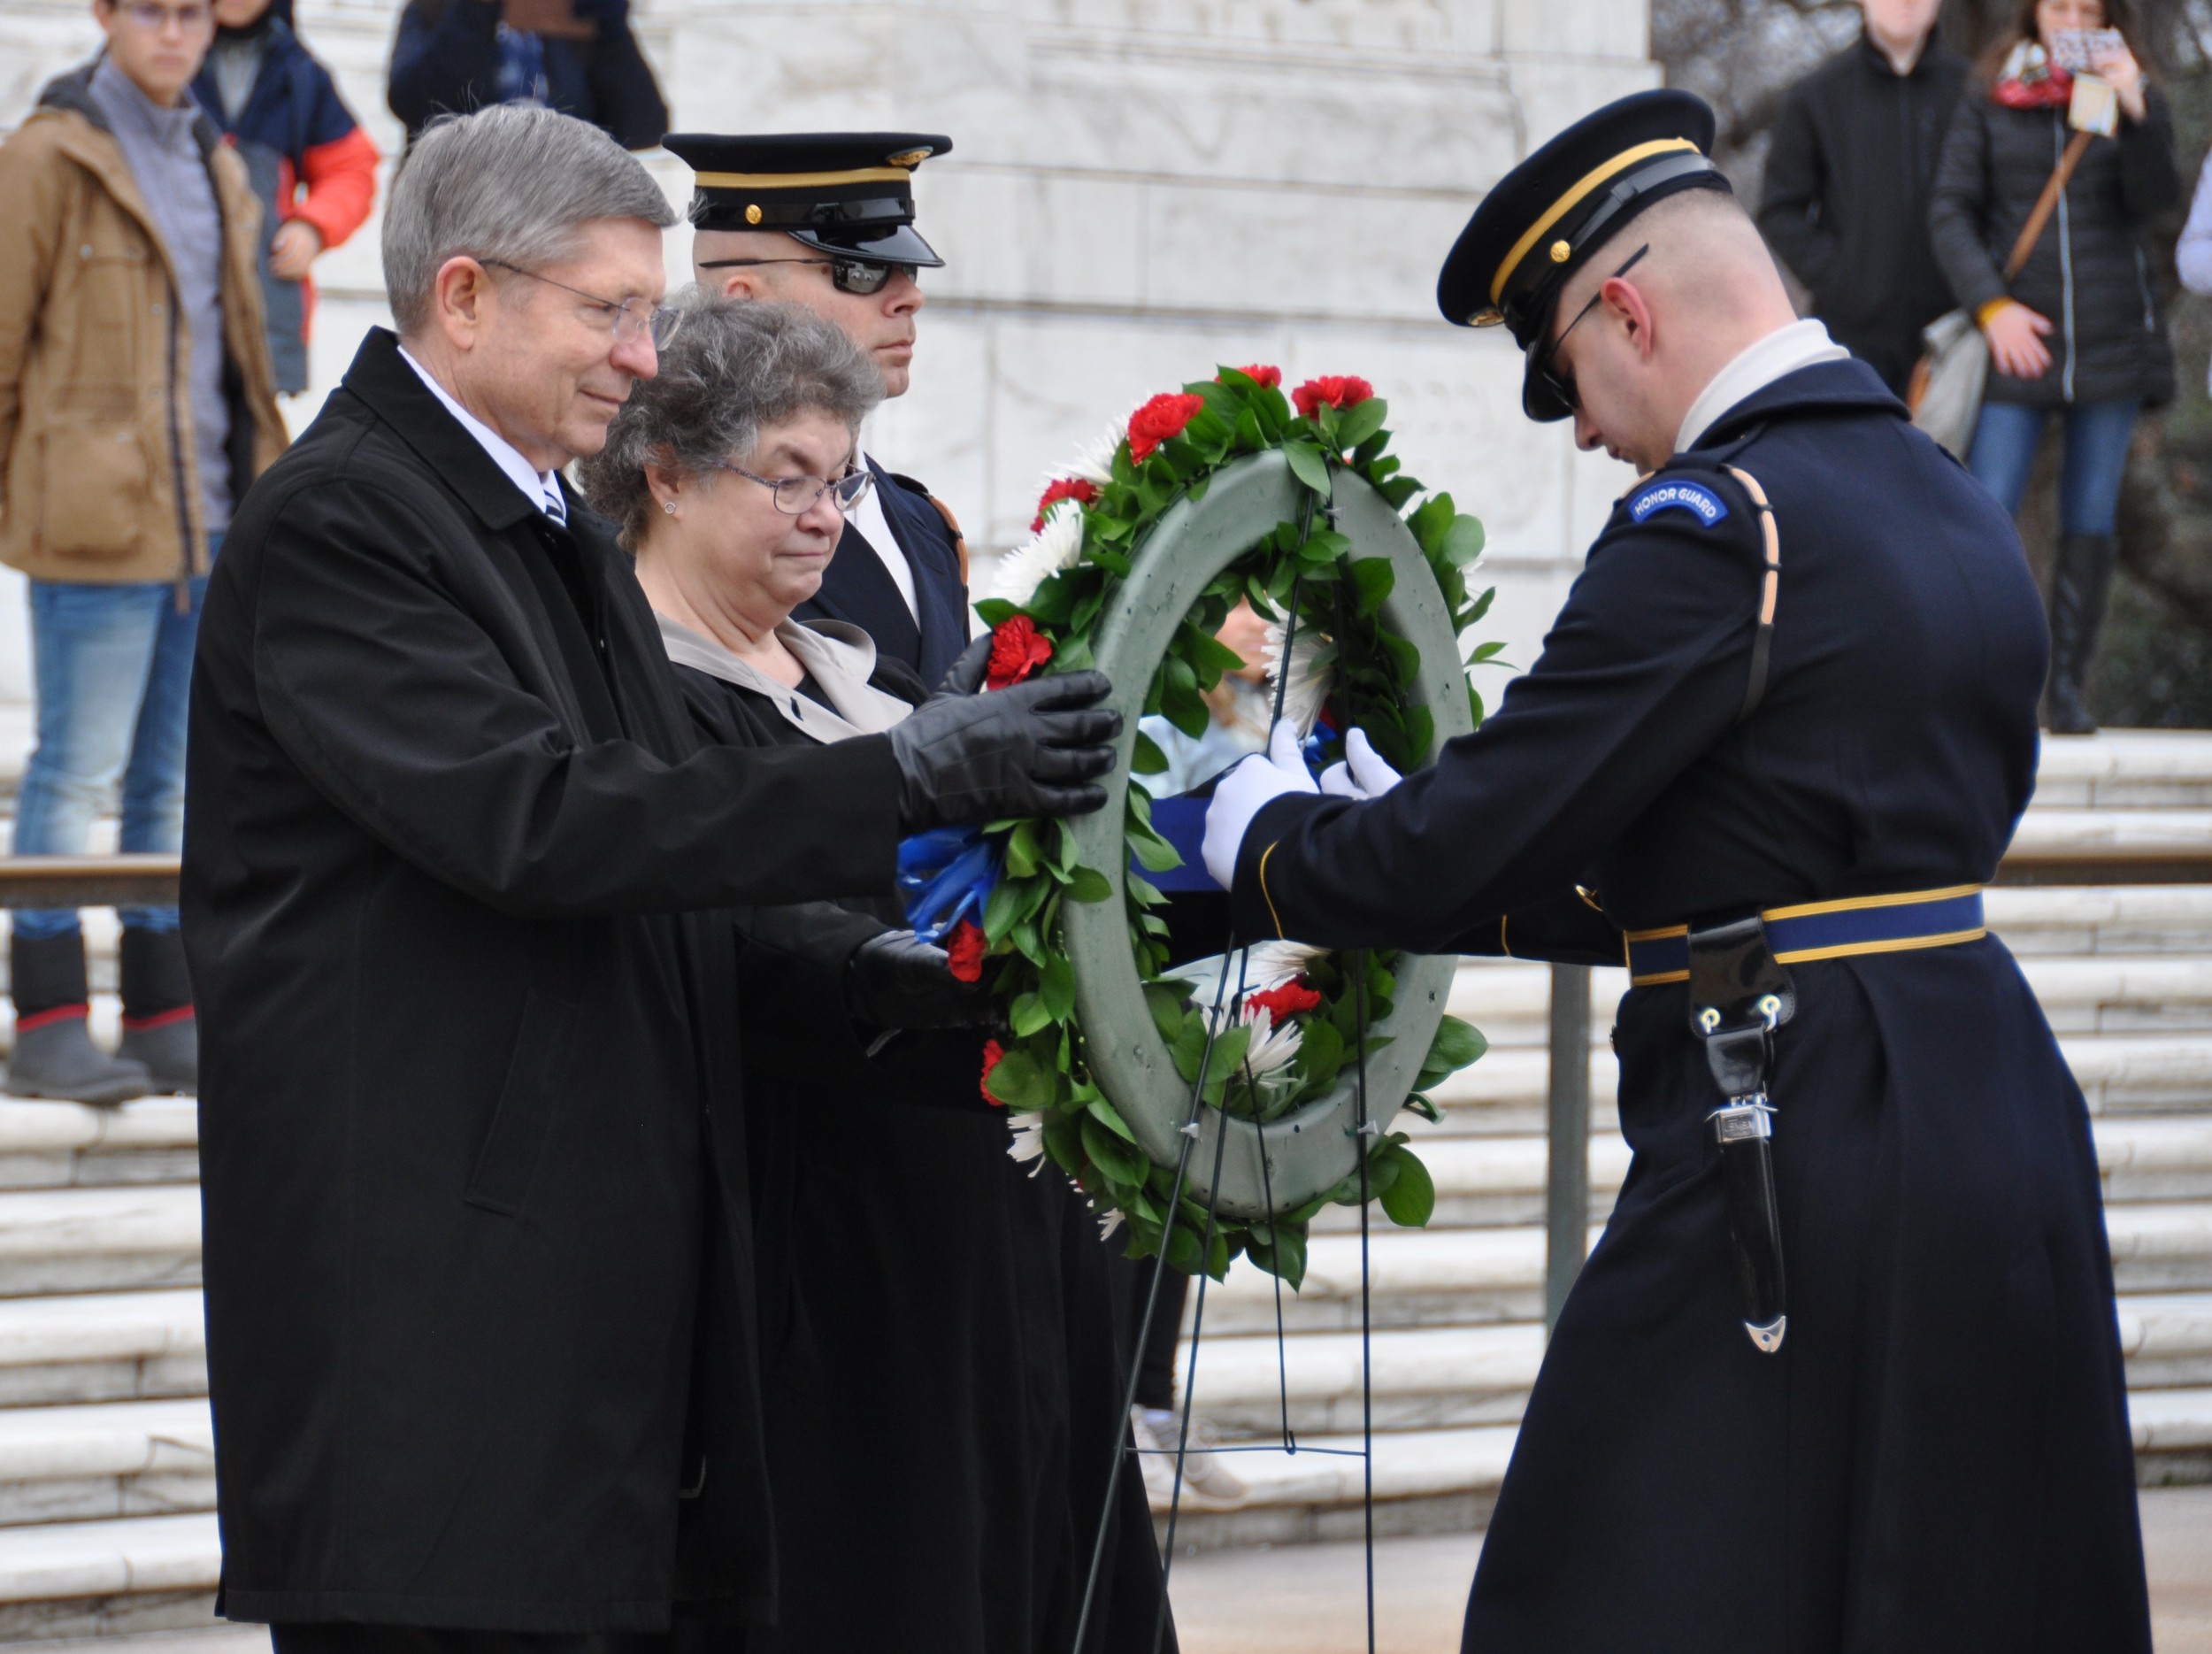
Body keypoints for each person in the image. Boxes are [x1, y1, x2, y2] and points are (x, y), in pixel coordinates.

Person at [1202, 88, 2151, 1652]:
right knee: (1946, 1583)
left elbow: (1490, 828)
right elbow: (1749, 853)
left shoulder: (1720, 519)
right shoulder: (1952, 503)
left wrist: (1269, 840)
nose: (1583, 427)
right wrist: (1421, 820)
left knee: (1600, 1591)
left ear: (1625, 309)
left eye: (1567, 373)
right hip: (1992, 1107)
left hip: (1799, 1124)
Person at [183, 104, 1120, 1649]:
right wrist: (906, 775)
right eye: (611, 310)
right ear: (466, 295)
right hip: (443, 1360)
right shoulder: (346, 520)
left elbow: (671, 874)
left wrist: (885, 983)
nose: (644, 355)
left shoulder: (534, 523)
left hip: (584, 1356)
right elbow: (542, 822)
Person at [577, 289, 1171, 1654]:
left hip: (999, 1258)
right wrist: (901, 968)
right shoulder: (641, 705)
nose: (826, 513)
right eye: (784, 475)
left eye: (839, 478)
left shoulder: (883, 689)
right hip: (829, 1275)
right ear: (663, 472)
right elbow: (734, 937)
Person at [0, 0, 288, 1103]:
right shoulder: (47, 155)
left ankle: (167, 1011)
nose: (174, 34)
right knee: (74, 773)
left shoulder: (215, 159)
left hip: (212, 523)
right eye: (150, 12)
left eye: (190, 14)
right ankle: (52, 1021)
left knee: (173, 785)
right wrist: (30, 496)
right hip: (95, 528)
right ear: (105, 17)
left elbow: (238, 356)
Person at [1929, 0, 2178, 734]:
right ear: (2033, 14)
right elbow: (1950, 211)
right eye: (2058, 4)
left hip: (2110, 341)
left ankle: (2068, 694)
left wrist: (2138, 108)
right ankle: (1983, 689)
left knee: (2092, 518)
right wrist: (1991, 308)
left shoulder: (2132, 90)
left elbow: (2158, 202)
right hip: (2019, 341)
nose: (2071, 18)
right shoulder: (1989, 93)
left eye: (2085, 6)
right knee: (1986, 509)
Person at [666, 133, 972, 688]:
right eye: (859, 270)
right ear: (744, 301)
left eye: (910, 271)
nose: (909, 297)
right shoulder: (673, 516)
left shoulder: (924, 522)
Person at [1755, 0, 1968, 393]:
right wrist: (1845, 281)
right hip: (1853, 338)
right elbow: (1780, 209)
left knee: (1946, 456)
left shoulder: (1973, 90)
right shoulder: (1817, 95)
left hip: (1955, 335)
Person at [193, 0, 380, 395]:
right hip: (172, 305)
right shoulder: (160, 59)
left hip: (267, 308)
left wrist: (313, 225)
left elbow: (351, 168)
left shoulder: (302, 75)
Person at [388, 0, 666, 150]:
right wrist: (474, 10)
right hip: (456, 210)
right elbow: (415, 106)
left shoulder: (577, 21)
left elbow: (643, 129)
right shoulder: (435, 10)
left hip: (563, 213)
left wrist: (612, 35)